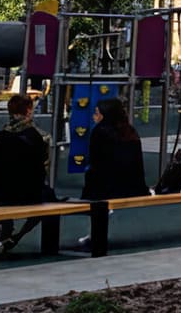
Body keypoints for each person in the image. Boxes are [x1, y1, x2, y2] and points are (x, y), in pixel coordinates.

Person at [74, 96, 150, 250]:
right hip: (134, 186)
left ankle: (94, 236)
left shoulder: (100, 132)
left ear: (104, 114)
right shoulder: (129, 130)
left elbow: (96, 163)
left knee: (94, 188)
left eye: (97, 113)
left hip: (108, 187)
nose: (94, 116)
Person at [0, 94, 52, 254]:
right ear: (29, 111)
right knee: (49, 197)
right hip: (30, 195)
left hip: (1, 197)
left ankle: (4, 230)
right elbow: (44, 168)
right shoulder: (40, 137)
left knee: (2, 190)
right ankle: (17, 236)